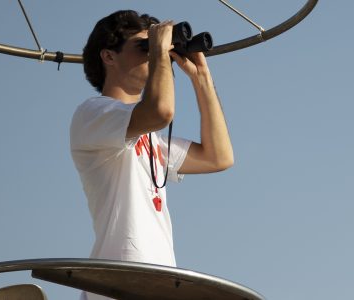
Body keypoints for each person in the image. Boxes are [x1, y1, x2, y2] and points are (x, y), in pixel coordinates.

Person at [70, 10, 234, 300]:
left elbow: (218, 157)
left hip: (156, 283)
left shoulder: (150, 140)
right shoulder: (92, 114)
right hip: (118, 282)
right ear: (109, 56)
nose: (152, 54)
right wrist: (159, 52)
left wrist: (202, 79)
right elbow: (160, 112)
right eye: (142, 47)